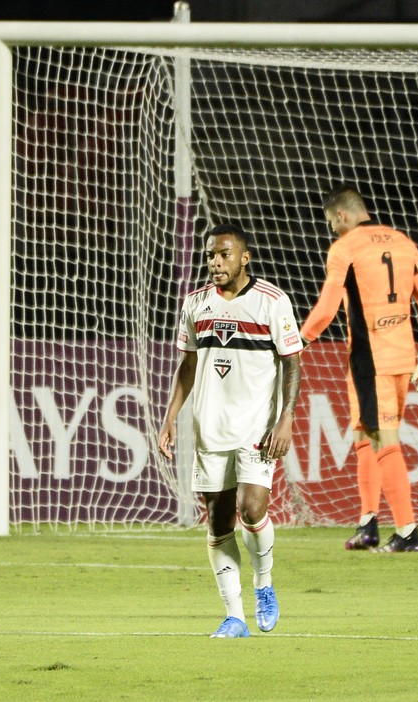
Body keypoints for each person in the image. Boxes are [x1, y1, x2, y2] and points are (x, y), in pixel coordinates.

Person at [157, 224, 303, 639]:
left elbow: (292, 361)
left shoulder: (272, 302)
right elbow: (187, 364)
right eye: (210, 256)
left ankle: (264, 585)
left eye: (224, 254)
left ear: (245, 257)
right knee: (218, 522)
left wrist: (286, 417)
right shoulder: (195, 304)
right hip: (210, 428)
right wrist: (171, 417)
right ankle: (234, 617)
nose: (215, 263)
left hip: (257, 427)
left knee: (253, 508)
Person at [300, 184, 418, 553]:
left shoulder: (345, 248)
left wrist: (299, 339)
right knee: (364, 435)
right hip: (402, 355)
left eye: (332, 221)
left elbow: (328, 307)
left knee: (382, 439)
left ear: (343, 216)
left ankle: (407, 531)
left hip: (370, 359)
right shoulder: (403, 241)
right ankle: (368, 524)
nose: (331, 228)